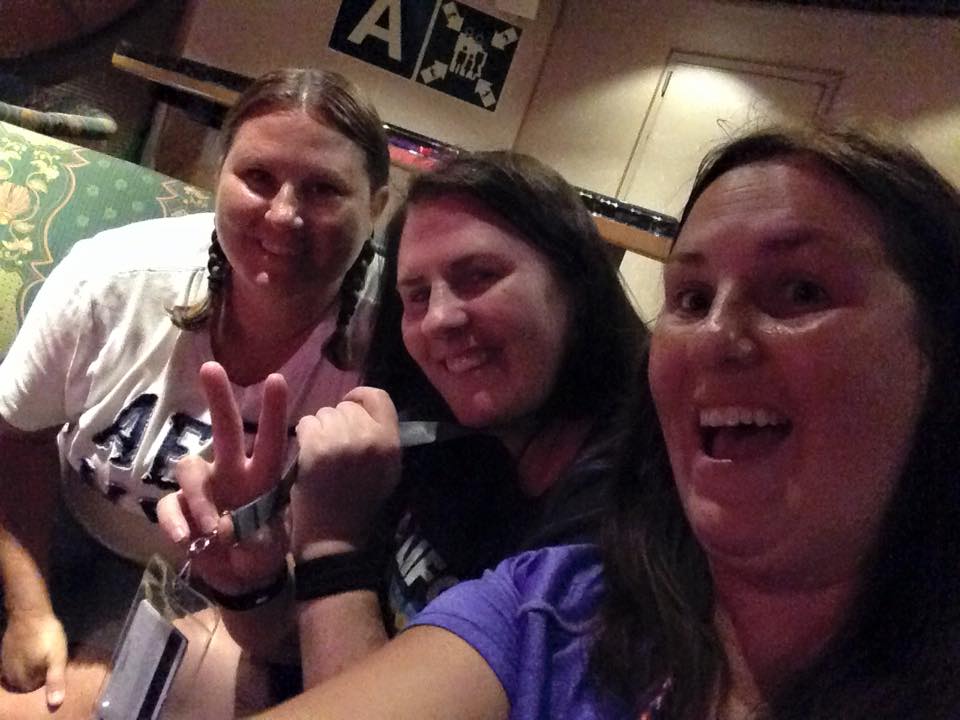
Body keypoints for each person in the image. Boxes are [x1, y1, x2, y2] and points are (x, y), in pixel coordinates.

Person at [247, 125, 960, 720]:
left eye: (800, 291)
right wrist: (245, 578)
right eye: (691, 298)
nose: (716, 336)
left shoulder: (604, 510)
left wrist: (330, 542)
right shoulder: (561, 601)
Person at [158, 150, 645, 692]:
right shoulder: (447, 441)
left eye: (479, 276)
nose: (439, 319)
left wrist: (330, 543)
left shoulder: (621, 528)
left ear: (576, 281)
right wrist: (249, 580)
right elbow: (299, 644)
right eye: (416, 295)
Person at [0, 67, 389, 716]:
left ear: (376, 206)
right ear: (219, 176)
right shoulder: (113, 277)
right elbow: (15, 436)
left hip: (240, 610)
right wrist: (29, 609)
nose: (284, 214)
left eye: (324, 189)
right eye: (258, 177)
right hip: (54, 535)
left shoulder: (400, 346)